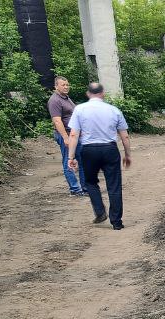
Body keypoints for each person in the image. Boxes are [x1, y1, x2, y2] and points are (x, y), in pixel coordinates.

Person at [67, 82, 132, 230]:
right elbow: (125, 136)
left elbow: (74, 134)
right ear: (103, 93)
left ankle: (100, 211)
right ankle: (116, 222)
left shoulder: (79, 109)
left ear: (88, 93)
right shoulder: (114, 110)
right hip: (109, 149)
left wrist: (71, 157)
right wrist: (127, 155)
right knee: (114, 185)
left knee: (90, 182)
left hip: (89, 150)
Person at [47, 76, 84, 196]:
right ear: (56, 86)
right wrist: (65, 138)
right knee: (68, 160)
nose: (66, 87)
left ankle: (85, 188)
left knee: (82, 159)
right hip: (66, 135)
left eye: (67, 84)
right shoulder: (54, 100)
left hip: (74, 135)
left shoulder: (66, 98)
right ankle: (75, 189)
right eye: (63, 85)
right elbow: (57, 121)